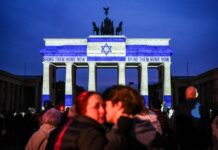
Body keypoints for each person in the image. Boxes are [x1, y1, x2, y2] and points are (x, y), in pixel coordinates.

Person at [102, 85, 147, 150]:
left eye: (105, 105)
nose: (103, 110)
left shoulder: (116, 138)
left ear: (118, 105)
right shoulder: (148, 129)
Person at [172, 86, 210, 150]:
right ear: (196, 95)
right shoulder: (203, 108)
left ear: (186, 95)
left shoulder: (179, 108)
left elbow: (176, 128)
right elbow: (207, 127)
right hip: (200, 143)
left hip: (185, 143)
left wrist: (175, 144)